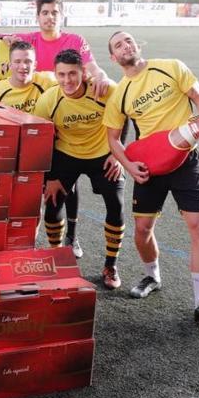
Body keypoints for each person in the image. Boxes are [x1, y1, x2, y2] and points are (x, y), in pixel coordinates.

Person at [103, 31, 199, 323]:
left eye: (128, 41)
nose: (125, 46)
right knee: (142, 230)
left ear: (137, 45)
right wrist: (128, 165)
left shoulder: (171, 66)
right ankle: (152, 277)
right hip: (150, 167)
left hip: (187, 161)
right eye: (118, 45)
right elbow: (113, 139)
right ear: (113, 58)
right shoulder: (120, 94)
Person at [33, 49, 125, 290]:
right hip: (66, 155)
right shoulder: (48, 101)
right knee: (52, 203)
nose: (67, 80)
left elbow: (122, 119)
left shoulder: (105, 91)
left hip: (102, 156)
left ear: (84, 73)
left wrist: (118, 154)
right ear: (55, 75)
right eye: (61, 75)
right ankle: (56, 259)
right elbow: (42, 141)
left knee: (116, 203)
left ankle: (110, 265)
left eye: (72, 74)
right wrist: (51, 178)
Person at [0, 41, 57, 113]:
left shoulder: (49, 81)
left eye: (28, 61)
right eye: (17, 61)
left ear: (35, 65)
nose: (23, 66)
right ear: (10, 65)